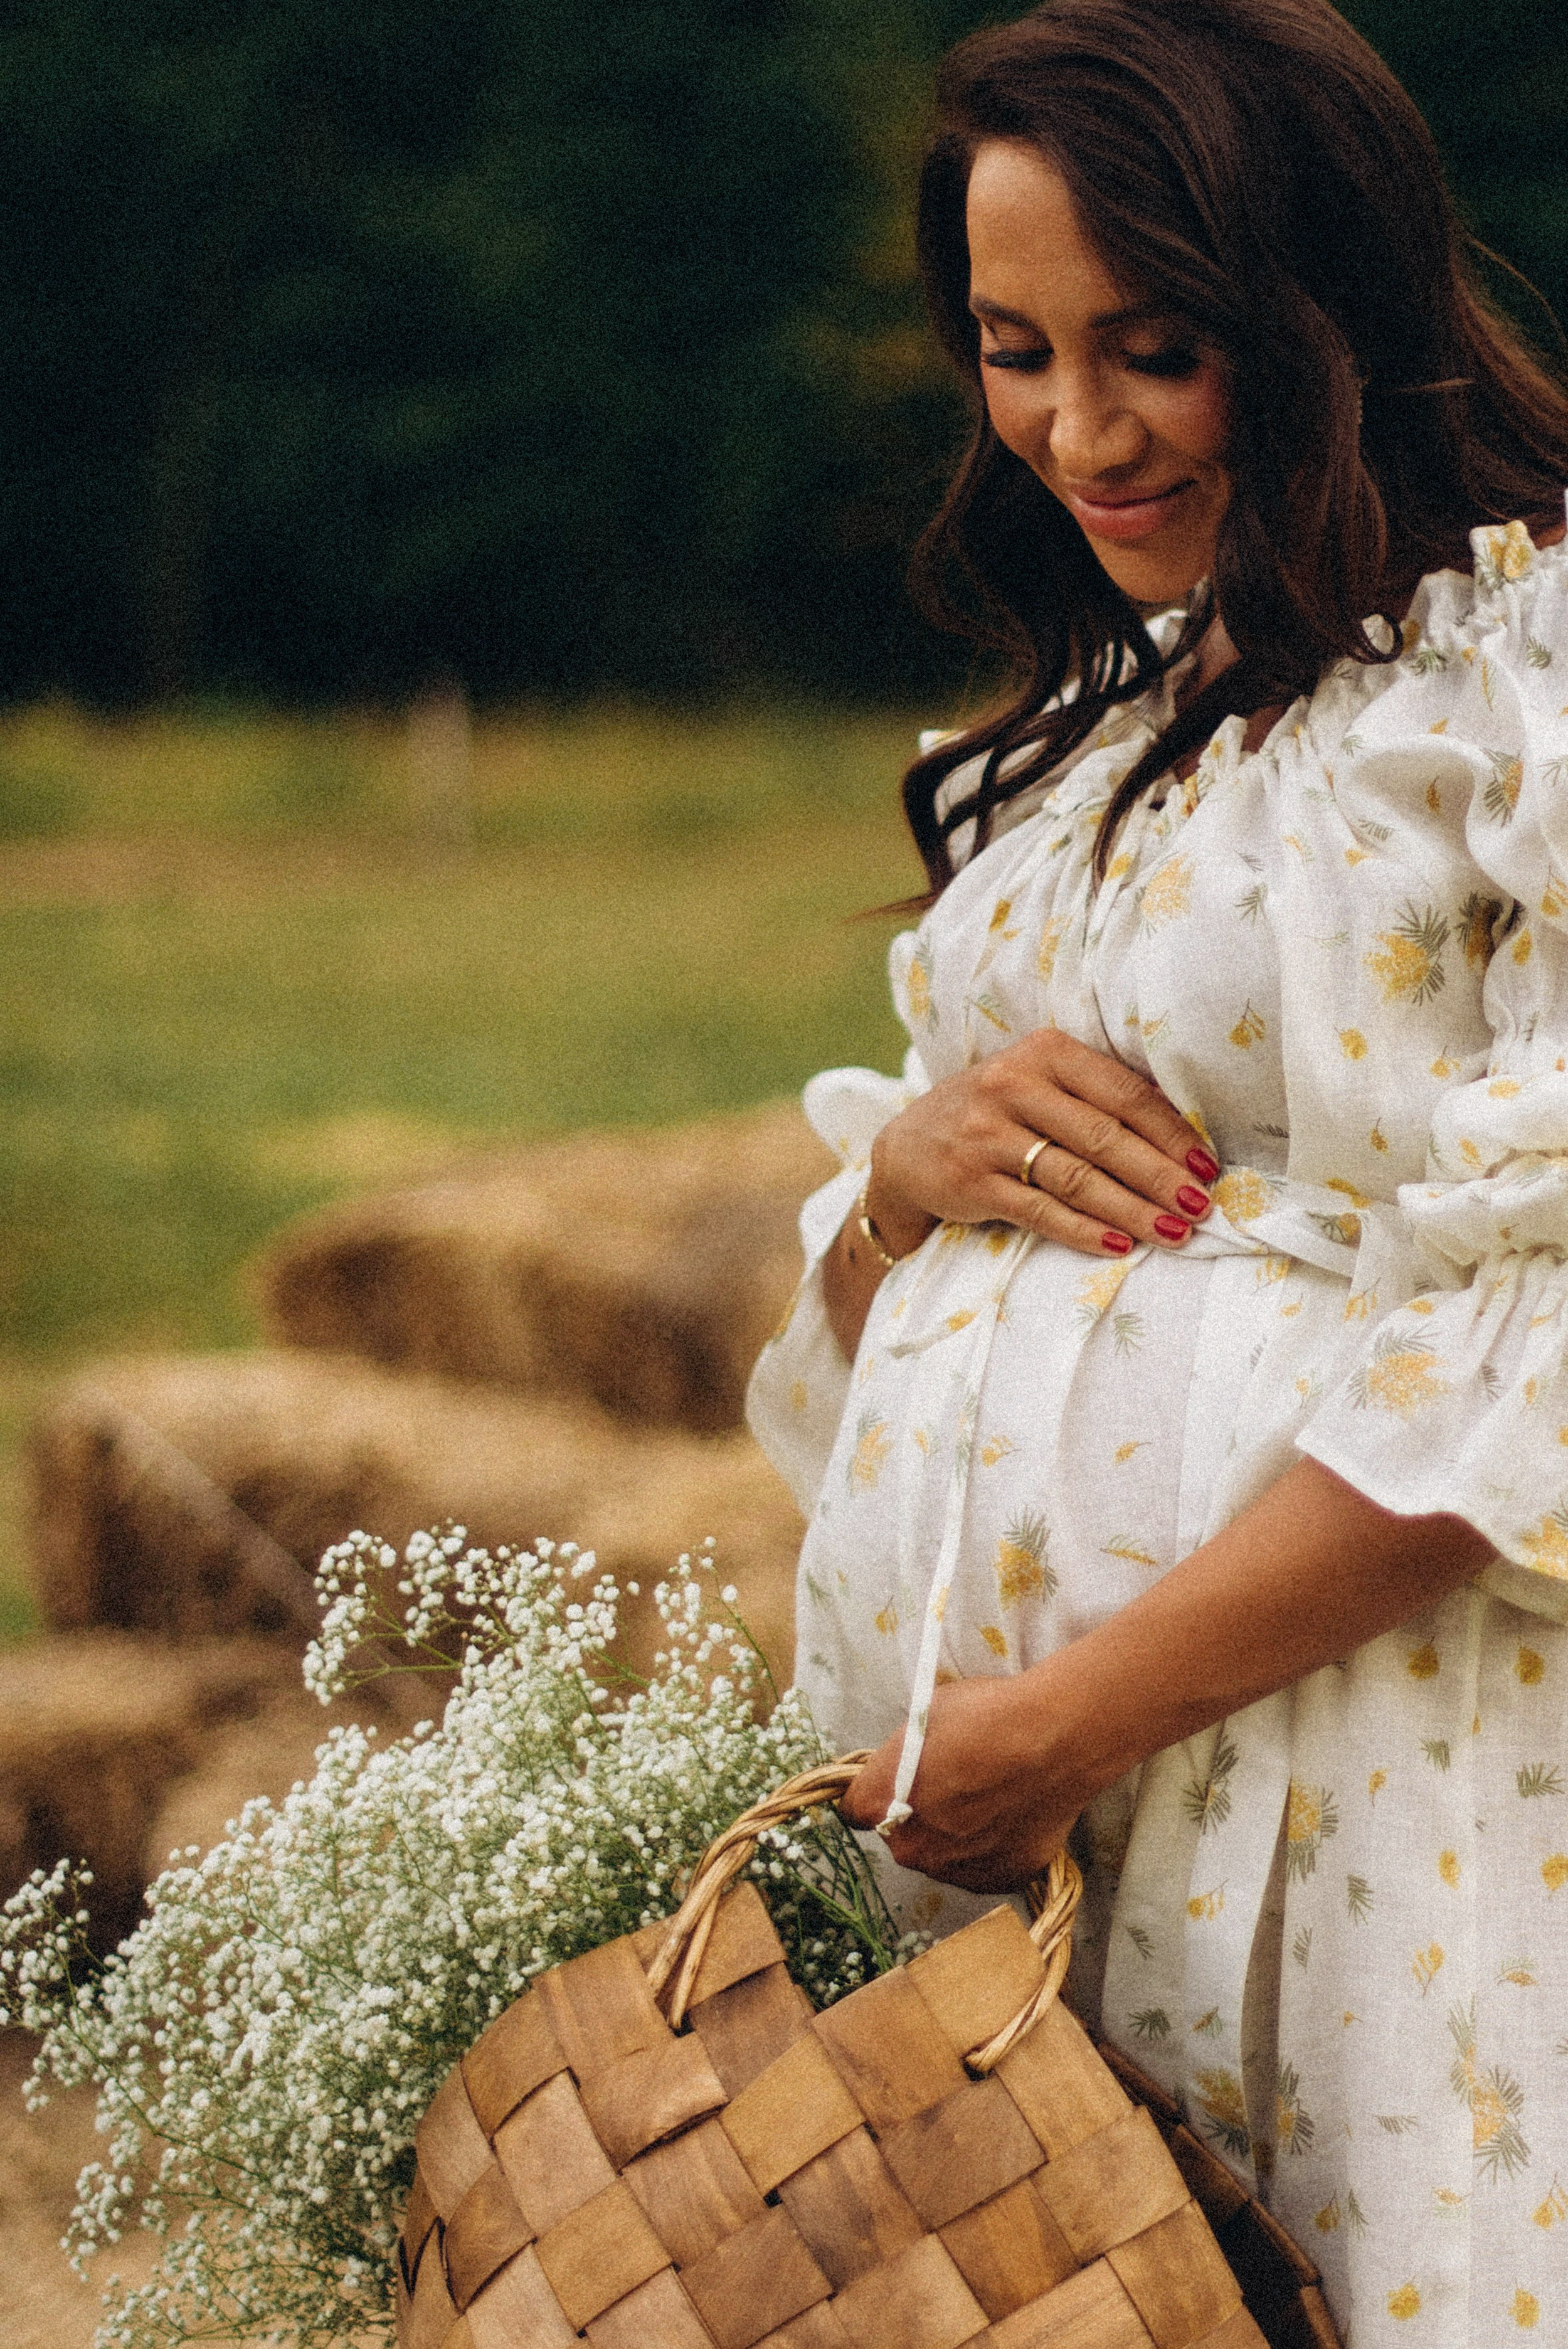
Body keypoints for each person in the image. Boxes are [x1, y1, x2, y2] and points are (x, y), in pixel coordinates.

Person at [744, 2, 1568, 2338]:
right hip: (1038, 1845)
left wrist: (1067, 1718)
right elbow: (858, 1334)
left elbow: (1541, 1342)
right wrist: (901, 1181)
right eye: (1010, 351)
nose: (1074, 430)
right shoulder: (1097, 725)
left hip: (1381, 1800)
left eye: (1157, 349)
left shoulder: (1522, 685)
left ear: (1328, 312)